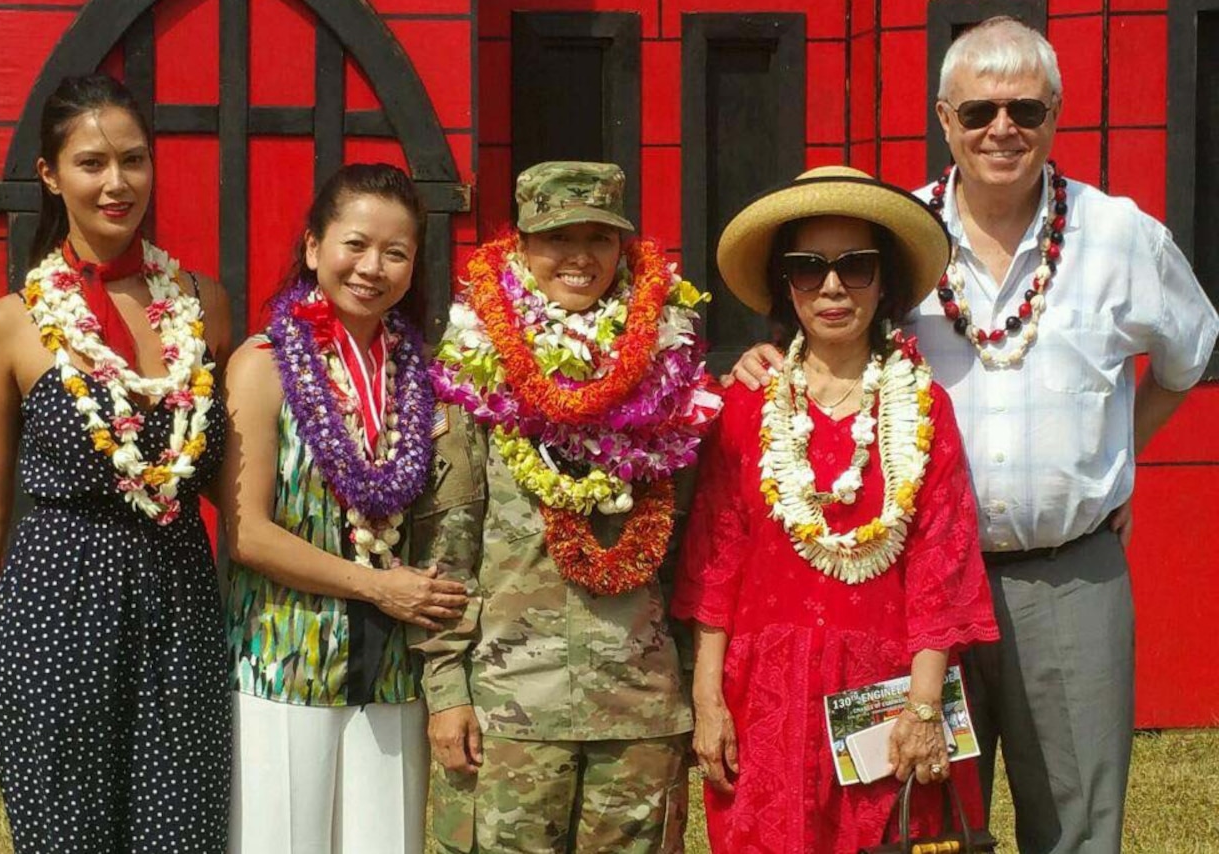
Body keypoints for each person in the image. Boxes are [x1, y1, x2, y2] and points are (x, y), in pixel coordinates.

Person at [728, 18, 1219, 854]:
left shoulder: (1120, 237)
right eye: (981, 109)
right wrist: (767, 359)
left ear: (1055, 114)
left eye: (1026, 108)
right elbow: (828, 326)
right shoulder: (890, 239)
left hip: (1068, 579)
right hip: (905, 594)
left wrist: (1118, 461)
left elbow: (1189, 357)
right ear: (944, 118)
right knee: (912, 823)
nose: (1003, 129)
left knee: (1077, 828)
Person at [0, 74, 232, 852]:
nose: (116, 183)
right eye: (91, 163)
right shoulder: (9, 325)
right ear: (49, 175)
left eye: (133, 160)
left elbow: (238, 483)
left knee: (185, 835)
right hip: (53, 611)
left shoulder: (205, 303)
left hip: (181, 608)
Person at [675, 165, 999, 853]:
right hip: (765, 698)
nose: (831, 287)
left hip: (888, 692)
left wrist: (922, 706)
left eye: (855, 266)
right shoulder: (745, 408)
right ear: (782, 283)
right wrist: (708, 701)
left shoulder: (923, 408)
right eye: (806, 267)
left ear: (885, 283)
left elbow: (942, 562)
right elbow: (715, 561)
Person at [418, 161, 720, 853]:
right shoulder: (476, 369)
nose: (581, 257)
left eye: (600, 237)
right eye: (559, 237)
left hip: (639, 710)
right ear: (521, 245)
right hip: (511, 706)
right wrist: (447, 691)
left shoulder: (669, 369)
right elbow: (448, 550)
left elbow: (693, 556)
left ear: (625, 248)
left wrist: (697, 696)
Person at [219, 163, 474, 854]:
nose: (373, 268)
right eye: (354, 245)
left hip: (392, 667)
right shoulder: (263, 364)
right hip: (284, 659)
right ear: (312, 248)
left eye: (396, 253)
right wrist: (377, 586)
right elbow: (247, 534)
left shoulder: (422, 376)